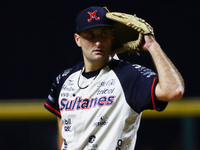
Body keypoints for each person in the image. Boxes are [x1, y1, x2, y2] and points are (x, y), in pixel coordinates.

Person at [44, 6, 184, 150]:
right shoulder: (64, 79)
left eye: (103, 34)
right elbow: (64, 133)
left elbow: (173, 90)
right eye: (90, 36)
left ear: (112, 37)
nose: (98, 42)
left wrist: (152, 45)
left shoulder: (129, 75)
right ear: (77, 39)